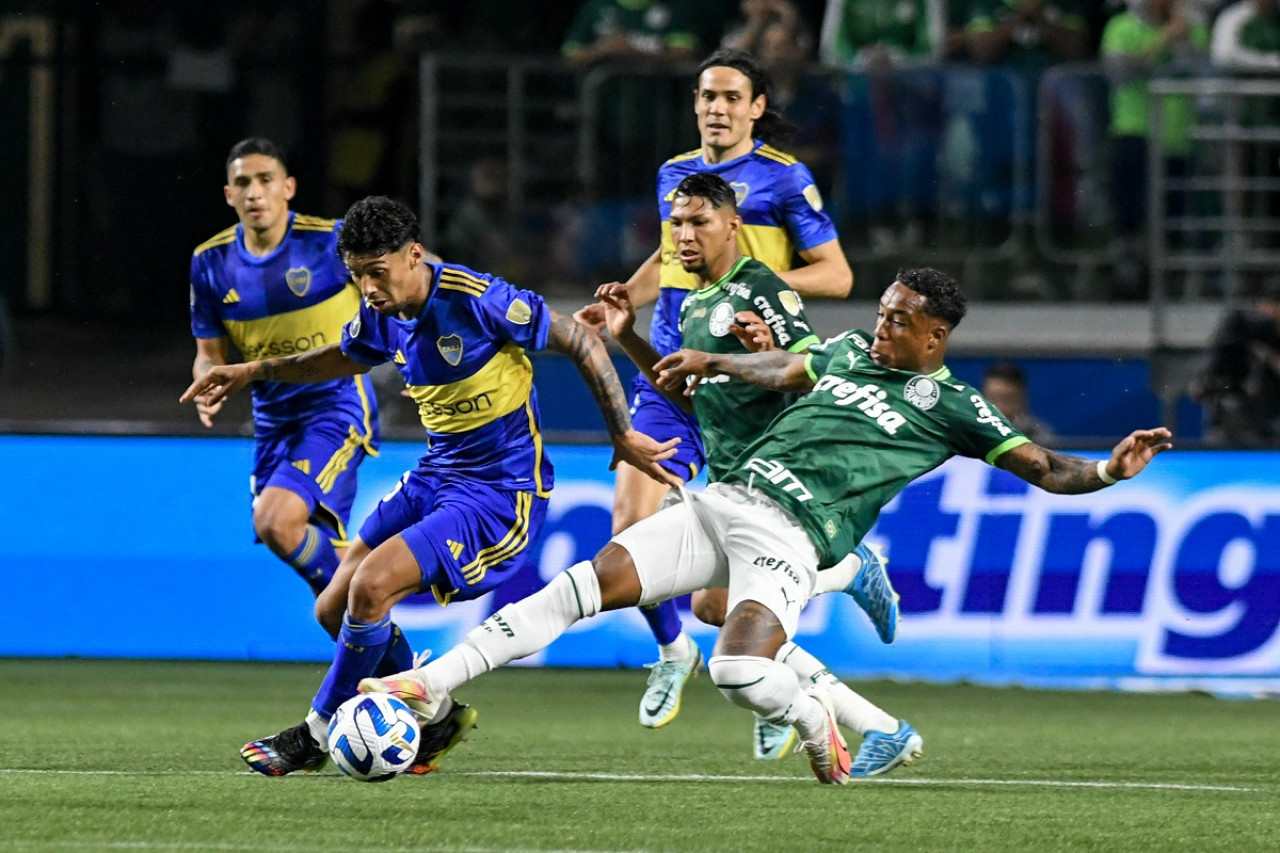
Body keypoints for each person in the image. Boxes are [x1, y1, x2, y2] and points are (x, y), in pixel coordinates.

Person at [363, 267, 1173, 784]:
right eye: (884, 312)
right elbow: (786, 367)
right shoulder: (852, 351)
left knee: (737, 673)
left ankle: (816, 713)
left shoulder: (955, 406)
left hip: (791, 538)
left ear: (937, 335)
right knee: (577, 588)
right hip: (729, 498)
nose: (883, 326)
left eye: (899, 320)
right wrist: (716, 361)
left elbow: (1044, 467)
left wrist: (1106, 468)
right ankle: (427, 685)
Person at [182, 195, 679, 777]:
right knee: (333, 608)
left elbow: (581, 340)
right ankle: (438, 716)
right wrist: (249, 371)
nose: (367, 287)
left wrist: (621, 432)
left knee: (370, 588)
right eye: (356, 275)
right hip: (437, 474)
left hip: (498, 492)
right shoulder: (384, 312)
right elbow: (344, 356)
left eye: (377, 271)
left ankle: (314, 734)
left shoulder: (479, 300)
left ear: (413, 255)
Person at [575, 47, 854, 739]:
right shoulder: (675, 173)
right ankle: (672, 654)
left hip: (739, 381)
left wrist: (751, 283)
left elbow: (838, 276)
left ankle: (773, 681)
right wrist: (625, 300)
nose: (716, 108)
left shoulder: (785, 180)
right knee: (628, 532)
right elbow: (672, 252)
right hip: (670, 375)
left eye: (731, 96)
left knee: (719, 599)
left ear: (757, 107)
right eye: (706, 96)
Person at [598, 171, 918, 772]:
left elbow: (807, 368)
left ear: (732, 226)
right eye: (677, 225)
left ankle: (848, 573)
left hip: (775, 473)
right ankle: (876, 722)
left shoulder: (759, 284)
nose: (684, 235)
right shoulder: (694, 304)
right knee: (716, 611)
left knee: (729, 628)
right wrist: (627, 337)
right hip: (730, 470)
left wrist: (768, 348)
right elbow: (685, 393)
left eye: (697, 222)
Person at [189, 137, 379, 600]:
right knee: (307, 552)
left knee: (275, 519)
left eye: (265, 180)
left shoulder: (331, 241)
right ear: (229, 195)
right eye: (242, 184)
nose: (254, 193)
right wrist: (205, 377)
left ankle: (374, 619)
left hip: (336, 405)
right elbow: (210, 351)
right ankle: (386, 656)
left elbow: (410, 279)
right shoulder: (210, 263)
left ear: (288, 187)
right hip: (273, 420)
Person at [1101, 0, 1208, 298]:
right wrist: (1164, 39)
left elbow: (1198, 71)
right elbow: (1121, 72)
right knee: (1130, 207)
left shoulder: (1192, 30)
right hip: (1134, 129)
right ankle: (1127, 274)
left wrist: (1183, 38)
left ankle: (1168, 279)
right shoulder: (1121, 27)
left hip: (1177, 134)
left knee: (1173, 214)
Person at [1189, 276, 1280, 446]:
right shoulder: (1244, 322)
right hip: (1234, 400)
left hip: (1269, 411)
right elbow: (1219, 351)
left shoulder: (1269, 333)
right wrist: (1204, 377)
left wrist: (1266, 356)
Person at [981, 360, 1057, 446]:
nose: (999, 408)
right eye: (993, 399)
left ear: (1022, 400)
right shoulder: (970, 433)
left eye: (1007, 400)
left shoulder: (1038, 434)